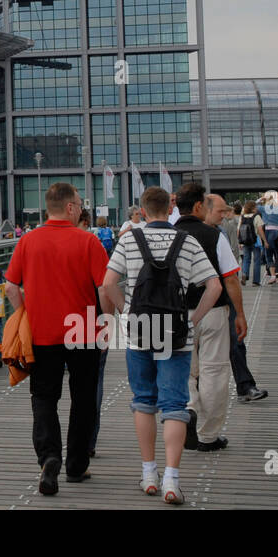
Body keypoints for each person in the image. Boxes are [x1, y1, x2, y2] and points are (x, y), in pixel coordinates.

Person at [99, 186, 221, 505]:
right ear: (170, 209)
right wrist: (193, 319)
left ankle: (148, 473)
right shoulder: (188, 241)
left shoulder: (128, 239)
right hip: (177, 330)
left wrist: (125, 311)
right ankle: (172, 480)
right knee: (174, 405)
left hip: (139, 328)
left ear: (141, 210)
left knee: (143, 399)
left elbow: (108, 284)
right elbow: (214, 286)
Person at [3, 182, 108, 496]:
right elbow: (104, 289)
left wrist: (24, 315)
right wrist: (109, 321)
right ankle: (76, 465)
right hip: (84, 330)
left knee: (45, 397)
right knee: (84, 397)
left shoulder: (28, 241)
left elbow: (10, 287)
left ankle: (49, 458)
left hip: (42, 332)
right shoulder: (88, 242)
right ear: (72, 207)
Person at [174, 182, 243, 450]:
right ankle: (208, 435)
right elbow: (231, 279)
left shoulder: (170, 234)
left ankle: (188, 408)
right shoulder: (214, 235)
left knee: (185, 370)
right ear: (199, 206)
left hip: (178, 313)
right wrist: (239, 314)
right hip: (213, 311)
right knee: (214, 370)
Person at [208, 194, 267, 404]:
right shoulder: (201, 233)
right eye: (220, 211)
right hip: (203, 301)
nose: (225, 215)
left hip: (221, 296)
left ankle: (245, 386)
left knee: (236, 342)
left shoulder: (220, 231)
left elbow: (230, 274)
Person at [259, 192, 278, 281]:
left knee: (269, 253)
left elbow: (254, 206)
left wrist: (261, 199)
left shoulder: (264, 208)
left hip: (269, 230)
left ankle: (273, 276)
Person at [238, 201, 266, 286]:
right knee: (256, 261)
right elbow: (260, 230)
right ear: (253, 208)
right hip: (255, 241)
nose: (257, 208)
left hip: (245, 241)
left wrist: (239, 242)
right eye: (255, 207)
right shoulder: (256, 216)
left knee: (246, 259)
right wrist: (265, 240)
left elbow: (238, 230)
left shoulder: (242, 217)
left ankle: (244, 274)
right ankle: (255, 281)